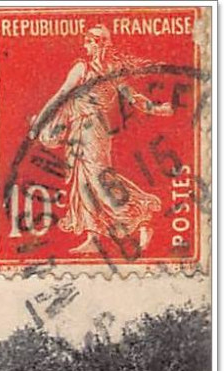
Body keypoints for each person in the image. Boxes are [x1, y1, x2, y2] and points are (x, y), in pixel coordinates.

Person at [30, 25, 171, 255]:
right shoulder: (82, 67)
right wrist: (40, 122)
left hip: (94, 129)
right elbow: (61, 95)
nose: (86, 46)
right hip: (79, 127)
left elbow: (131, 97)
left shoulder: (107, 68)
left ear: (97, 43)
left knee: (99, 179)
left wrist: (157, 108)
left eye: (89, 42)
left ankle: (141, 219)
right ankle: (93, 237)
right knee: (82, 181)